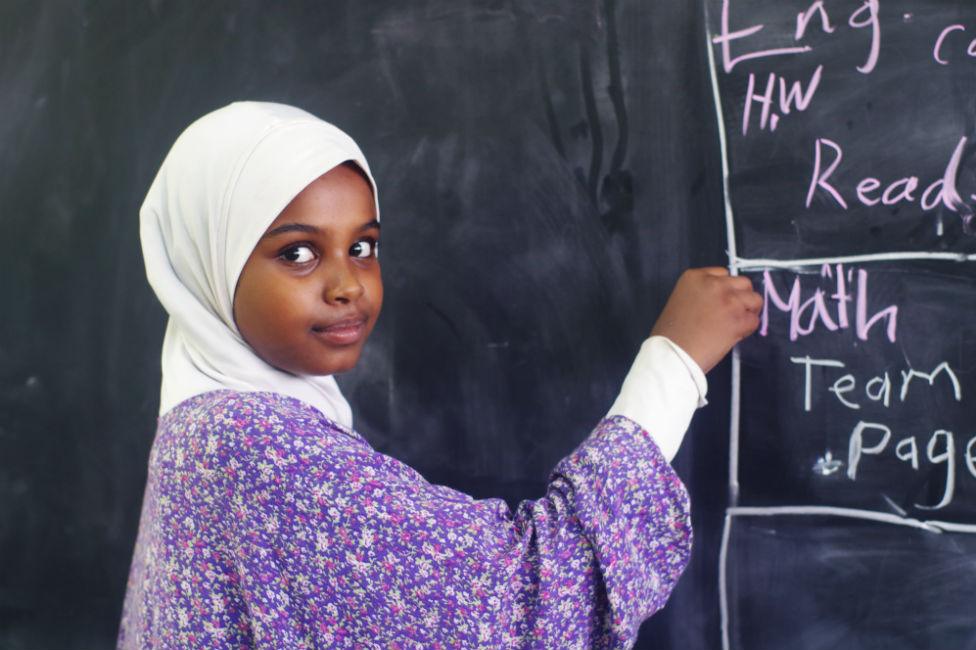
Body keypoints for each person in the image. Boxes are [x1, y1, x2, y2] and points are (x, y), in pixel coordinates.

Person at [117, 101, 762, 649]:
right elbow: (523, 608)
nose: (347, 285)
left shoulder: (200, 425)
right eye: (298, 253)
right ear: (210, 263)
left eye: (362, 246)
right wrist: (673, 364)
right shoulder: (253, 449)